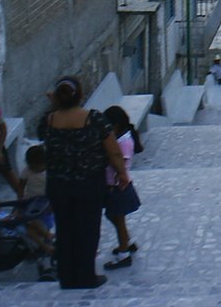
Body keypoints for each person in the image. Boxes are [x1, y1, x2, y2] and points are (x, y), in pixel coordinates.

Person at [38, 76, 129, 290]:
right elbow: (114, 150)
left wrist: (54, 106)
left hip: (58, 185)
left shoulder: (49, 121)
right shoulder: (94, 119)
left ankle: (67, 276)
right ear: (80, 95)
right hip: (88, 184)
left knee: (65, 229)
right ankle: (86, 276)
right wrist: (122, 173)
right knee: (87, 230)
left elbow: (42, 135)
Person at [102, 106, 142, 270]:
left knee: (117, 219)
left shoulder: (123, 142)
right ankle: (128, 242)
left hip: (118, 187)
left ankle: (123, 254)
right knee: (115, 218)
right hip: (115, 187)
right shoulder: (121, 138)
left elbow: (120, 163)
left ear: (116, 125)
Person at [17, 144, 55, 257]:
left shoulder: (48, 172)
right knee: (30, 224)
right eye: (33, 166)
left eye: (39, 166)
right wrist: (20, 200)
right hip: (30, 202)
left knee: (40, 223)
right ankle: (47, 241)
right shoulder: (27, 171)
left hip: (45, 202)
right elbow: (21, 186)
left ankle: (46, 237)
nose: (37, 169)